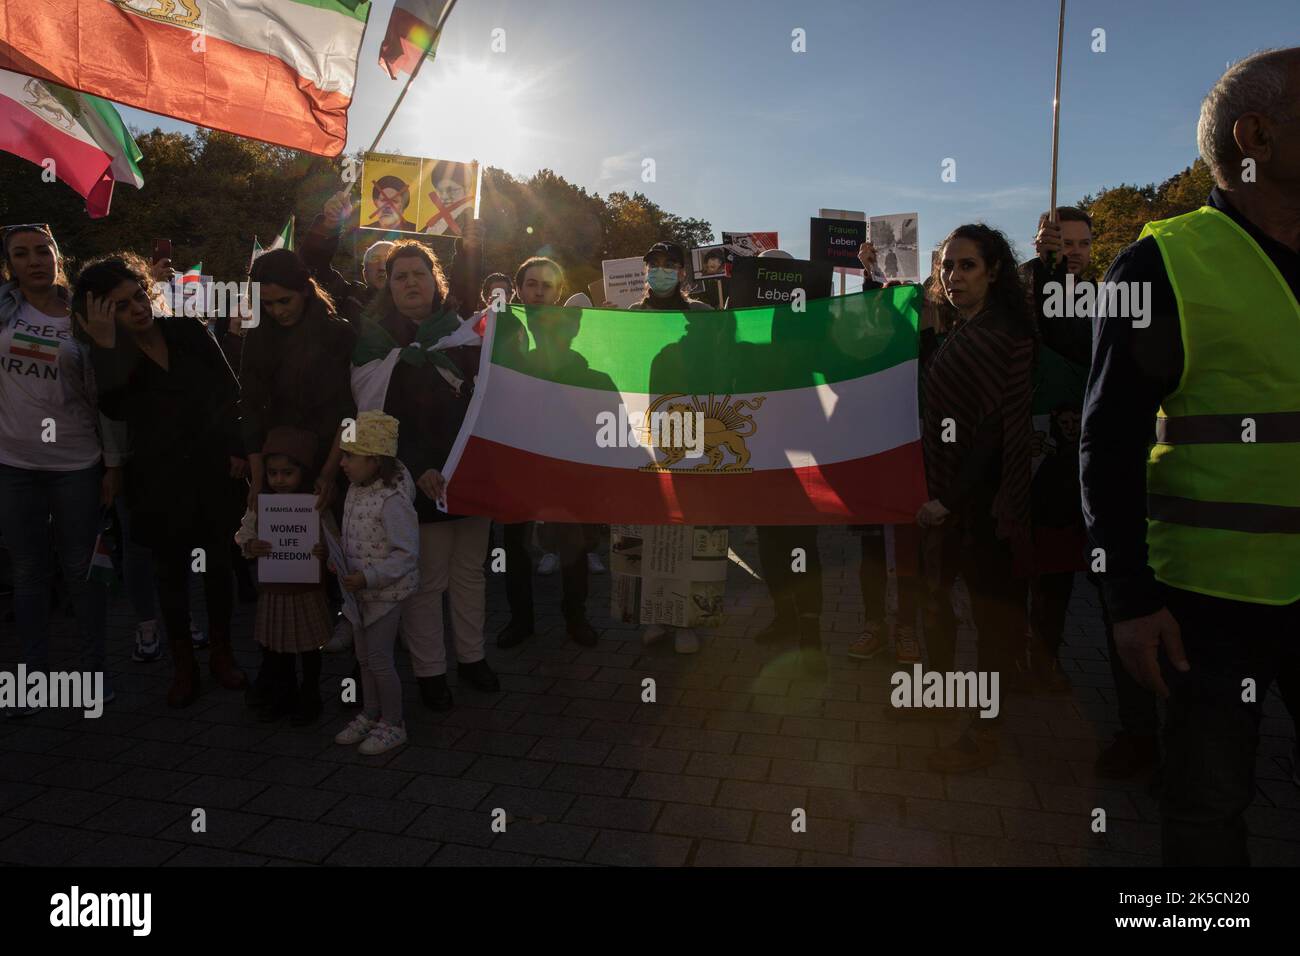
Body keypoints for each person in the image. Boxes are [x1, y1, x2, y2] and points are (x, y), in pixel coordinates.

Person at [1081, 48, 1300, 865]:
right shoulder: (1160, 263)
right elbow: (1108, 444)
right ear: (1258, 136)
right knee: (1208, 810)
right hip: (1209, 607)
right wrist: (1127, 599)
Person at [74, 256, 248, 708]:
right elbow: (116, 409)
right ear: (103, 315)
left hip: (212, 468)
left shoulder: (187, 330)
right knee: (170, 574)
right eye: (121, 305)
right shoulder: (112, 355)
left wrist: (235, 450)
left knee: (218, 567)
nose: (137, 308)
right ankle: (183, 665)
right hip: (156, 477)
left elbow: (230, 392)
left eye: (138, 295)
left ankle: (222, 654)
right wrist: (107, 346)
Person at [351, 240, 500, 711]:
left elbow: (487, 403)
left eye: (419, 274)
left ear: (436, 282)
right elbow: (379, 417)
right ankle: (430, 670)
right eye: (400, 276)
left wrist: (466, 462)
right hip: (416, 480)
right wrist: (420, 468)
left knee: (470, 573)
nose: (411, 283)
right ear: (388, 287)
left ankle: (473, 657)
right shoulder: (376, 343)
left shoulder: (467, 336)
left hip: (469, 473)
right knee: (427, 581)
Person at [917, 224, 1035, 773]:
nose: (954, 275)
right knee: (935, 602)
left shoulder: (1001, 333)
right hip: (946, 498)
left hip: (985, 503)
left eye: (967, 265)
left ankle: (986, 729)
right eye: (947, 265)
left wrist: (953, 499)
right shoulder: (957, 331)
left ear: (992, 271)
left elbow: (992, 432)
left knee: (993, 619)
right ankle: (934, 698)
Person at [0, 224, 112, 713]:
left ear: (57, 254)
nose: (33, 260)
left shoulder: (83, 315)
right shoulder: (4, 310)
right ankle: (32, 678)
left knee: (80, 571)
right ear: (10, 264)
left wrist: (115, 464)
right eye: (20, 254)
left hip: (76, 463)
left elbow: (109, 393)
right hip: (13, 463)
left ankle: (91, 673)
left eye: (42, 250)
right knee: (27, 572)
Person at [496, 256, 602, 649]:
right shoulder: (499, 337)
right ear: (518, 289)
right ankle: (520, 620)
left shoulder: (572, 342)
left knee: (573, 547)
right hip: (519, 465)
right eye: (532, 284)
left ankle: (577, 618)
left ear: (558, 294)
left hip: (565, 467)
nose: (539, 292)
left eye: (547, 286)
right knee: (517, 548)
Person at [632, 241, 718, 655]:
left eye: (669, 265)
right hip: (645, 431)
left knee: (693, 525)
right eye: (654, 265)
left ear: (683, 273)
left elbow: (723, 362)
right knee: (651, 526)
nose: (660, 271)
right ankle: (654, 614)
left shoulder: (701, 316)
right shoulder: (631, 317)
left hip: (694, 428)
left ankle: (688, 619)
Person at [331, 411, 420, 755]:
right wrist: (334, 557)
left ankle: (394, 723)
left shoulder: (392, 500)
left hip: (383, 593)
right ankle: (370, 713)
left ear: (374, 459)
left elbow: (407, 554)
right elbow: (350, 534)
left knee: (380, 659)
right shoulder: (355, 489)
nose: (342, 463)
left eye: (349, 455)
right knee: (364, 658)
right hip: (357, 593)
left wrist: (369, 576)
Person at [235, 427, 331, 724]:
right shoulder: (261, 504)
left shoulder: (315, 504)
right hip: (275, 589)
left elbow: (334, 538)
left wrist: (323, 551)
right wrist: (252, 545)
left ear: (302, 472)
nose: (279, 479)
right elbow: (242, 535)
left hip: (306, 589)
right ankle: (284, 694)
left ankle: (311, 694)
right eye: (273, 473)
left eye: (287, 473)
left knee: (310, 646)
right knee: (279, 648)